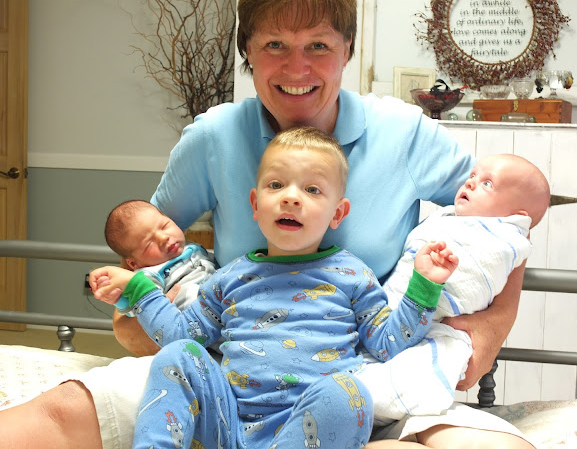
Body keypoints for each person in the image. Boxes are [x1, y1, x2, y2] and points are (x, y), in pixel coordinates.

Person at [0, 0, 531, 448]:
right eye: (275, 43)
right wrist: (142, 311)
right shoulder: (213, 140)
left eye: (318, 44)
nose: (297, 67)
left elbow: (506, 222)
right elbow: (145, 256)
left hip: (360, 378)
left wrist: (494, 324)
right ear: (247, 50)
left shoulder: (405, 134)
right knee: (54, 413)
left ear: (347, 48)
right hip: (227, 373)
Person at [89, 127, 454, 448]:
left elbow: (387, 342)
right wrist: (140, 289)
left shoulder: (352, 274)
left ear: (337, 213)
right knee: (179, 355)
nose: (290, 197)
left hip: (308, 427)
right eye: (276, 185)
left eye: (312, 189)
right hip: (227, 425)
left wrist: (425, 284)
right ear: (255, 204)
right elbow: (181, 334)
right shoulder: (230, 277)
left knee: (350, 393)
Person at [358, 154, 550, 430]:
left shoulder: (502, 240)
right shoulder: (444, 221)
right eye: (472, 176)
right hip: (382, 320)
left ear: (516, 218)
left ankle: (371, 405)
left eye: (487, 184)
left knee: (410, 373)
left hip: (436, 325)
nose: (470, 183)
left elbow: (488, 265)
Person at [102, 199, 217, 315]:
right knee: (190, 293)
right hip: (195, 313)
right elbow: (140, 308)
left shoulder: (191, 247)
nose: (163, 238)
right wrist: (119, 300)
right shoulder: (150, 274)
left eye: (164, 226)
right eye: (149, 242)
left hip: (220, 296)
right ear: (134, 263)